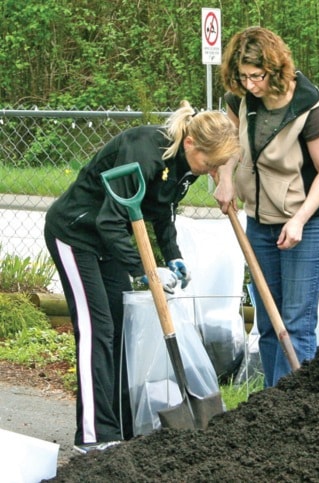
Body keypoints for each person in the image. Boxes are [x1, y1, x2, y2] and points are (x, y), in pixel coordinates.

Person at [44, 101, 239, 453]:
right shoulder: (144, 153)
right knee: (96, 331)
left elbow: (162, 215)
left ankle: (120, 426)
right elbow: (109, 220)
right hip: (76, 235)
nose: (210, 172)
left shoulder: (184, 166)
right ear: (192, 144)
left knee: (120, 333)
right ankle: (93, 435)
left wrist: (174, 258)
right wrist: (147, 272)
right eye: (210, 164)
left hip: (111, 243)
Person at [215, 27, 319, 388]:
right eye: (243, 76)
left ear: (274, 68)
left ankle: (294, 411)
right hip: (260, 220)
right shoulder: (240, 99)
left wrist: (299, 220)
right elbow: (230, 144)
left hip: (307, 221)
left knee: (297, 322)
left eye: (257, 76)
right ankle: (271, 407)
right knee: (268, 323)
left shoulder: (308, 104)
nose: (250, 84)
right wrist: (225, 177)